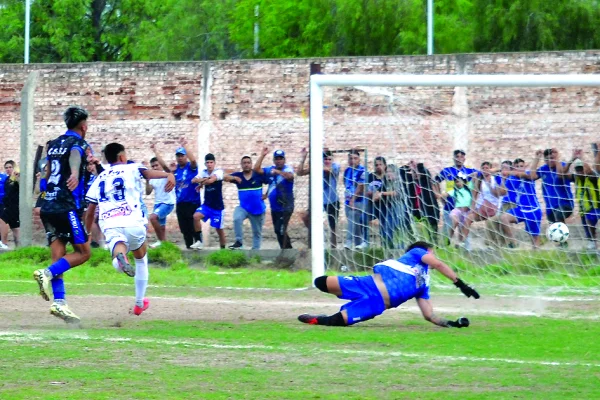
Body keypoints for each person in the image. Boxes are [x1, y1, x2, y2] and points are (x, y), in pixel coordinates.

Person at [297, 241, 479, 327]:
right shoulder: (416, 254)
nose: (433, 255)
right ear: (426, 251)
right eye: (432, 251)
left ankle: (317, 319)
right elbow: (438, 264)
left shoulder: (423, 285)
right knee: (321, 282)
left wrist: (451, 323)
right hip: (367, 284)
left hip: (376, 304)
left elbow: (429, 315)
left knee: (337, 321)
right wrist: (460, 283)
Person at [85, 142, 175, 315]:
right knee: (141, 258)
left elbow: (90, 212)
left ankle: (120, 259)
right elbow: (148, 173)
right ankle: (139, 303)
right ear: (122, 156)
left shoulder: (100, 179)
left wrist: (87, 234)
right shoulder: (132, 168)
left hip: (110, 223)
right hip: (133, 221)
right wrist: (168, 175)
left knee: (118, 246)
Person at [33, 106, 93, 323]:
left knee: (60, 256)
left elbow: (46, 170)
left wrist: (43, 188)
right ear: (83, 126)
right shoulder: (80, 143)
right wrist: (76, 172)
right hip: (67, 206)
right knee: (84, 252)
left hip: (48, 205)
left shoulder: (55, 143)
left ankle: (59, 303)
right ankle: (46, 274)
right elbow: (76, 154)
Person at [297, 148, 341, 248]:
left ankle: (333, 248)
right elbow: (299, 173)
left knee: (333, 226)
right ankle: (317, 237)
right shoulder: (317, 166)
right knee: (306, 217)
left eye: (329, 159)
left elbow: (328, 170)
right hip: (318, 200)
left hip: (332, 200)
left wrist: (315, 163)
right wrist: (303, 158)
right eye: (325, 159)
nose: (328, 161)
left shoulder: (335, 166)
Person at [459, 162, 507, 250]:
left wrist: (490, 182)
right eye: (483, 168)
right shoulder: (480, 180)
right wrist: (472, 208)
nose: (485, 170)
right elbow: (474, 195)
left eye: (487, 168)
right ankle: (462, 242)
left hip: (495, 208)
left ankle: (495, 244)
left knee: (491, 223)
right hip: (482, 209)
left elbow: (498, 194)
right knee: (468, 218)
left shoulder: (495, 179)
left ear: (491, 169)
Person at [434, 149, 478, 246]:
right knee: (447, 231)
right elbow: (435, 181)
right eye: (457, 156)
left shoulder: (469, 171)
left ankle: (465, 251)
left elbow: (482, 174)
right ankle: (445, 248)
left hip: (464, 207)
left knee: (465, 232)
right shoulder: (447, 171)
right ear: (453, 158)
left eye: (461, 157)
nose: (459, 159)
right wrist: (439, 195)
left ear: (464, 158)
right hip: (449, 206)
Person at [254, 147, 295, 249]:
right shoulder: (270, 170)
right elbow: (256, 169)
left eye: (281, 158)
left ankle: (288, 251)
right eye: (277, 159)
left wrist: (277, 172)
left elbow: (290, 177)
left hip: (286, 206)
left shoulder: (287, 169)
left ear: (284, 160)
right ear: (274, 160)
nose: (279, 161)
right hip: (275, 207)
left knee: (281, 229)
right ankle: (286, 250)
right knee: (278, 230)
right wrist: (262, 155)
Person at [227, 156, 268, 250]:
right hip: (243, 208)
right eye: (244, 163)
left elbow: (271, 182)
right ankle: (239, 242)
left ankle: (255, 253)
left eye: (248, 162)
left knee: (257, 233)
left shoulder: (258, 175)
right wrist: (233, 177)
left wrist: (267, 194)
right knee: (236, 218)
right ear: (241, 165)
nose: (246, 165)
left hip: (257, 209)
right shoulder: (238, 176)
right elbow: (225, 177)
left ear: (251, 164)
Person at [500, 158, 543, 249]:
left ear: (524, 167)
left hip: (533, 211)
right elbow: (503, 192)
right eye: (517, 166)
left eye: (521, 166)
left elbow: (531, 174)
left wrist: (536, 157)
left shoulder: (528, 174)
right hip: (520, 210)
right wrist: (503, 179)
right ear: (514, 168)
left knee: (535, 242)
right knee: (504, 218)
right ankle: (513, 242)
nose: (519, 168)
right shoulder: (511, 179)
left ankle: (537, 258)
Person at [191, 153, 227, 249]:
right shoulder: (203, 172)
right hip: (207, 206)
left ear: (214, 163)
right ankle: (199, 241)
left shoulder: (219, 172)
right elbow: (193, 180)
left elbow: (211, 181)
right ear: (205, 164)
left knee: (219, 230)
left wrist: (201, 182)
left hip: (218, 208)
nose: (209, 164)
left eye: (211, 162)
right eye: (208, 162)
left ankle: (223, 250)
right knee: (196, 216)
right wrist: (203, 181)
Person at [171, 142, 201, 249]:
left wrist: (185, 146)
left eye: (182, 156)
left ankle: (198, 244)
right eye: (178, 156)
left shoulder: (190, 167)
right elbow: (165, 168)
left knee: (193, 226)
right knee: (184, 229)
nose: (180, 158)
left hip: (192, 202)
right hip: (180, 203)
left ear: (185, 156)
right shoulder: (176, 169)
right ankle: (188, 248)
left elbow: (193, 160)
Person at [146, 145, 176, 248]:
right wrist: (147, 180)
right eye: (152, 166)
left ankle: (159, 241)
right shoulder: (153, 177)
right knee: (162, 227)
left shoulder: (166, 174)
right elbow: (148, 192)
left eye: (156, 165)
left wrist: (155, 151)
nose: (154, 168)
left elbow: (164, 165)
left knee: (153, 218)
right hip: (157, 203)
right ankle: (164, 246)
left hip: (167, 203)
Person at [343, 150, 367, 250]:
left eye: (355, 158)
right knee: (354, 224)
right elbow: (345, 183)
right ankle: (358, 246)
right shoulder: (347, 170)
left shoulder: (362, 171)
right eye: (350, 158)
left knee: (353, 219)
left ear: (359, 159)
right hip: (348, 201)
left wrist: (353, 199)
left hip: (359, 201)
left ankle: (348, 242)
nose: (353, 160)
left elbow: (361, 187)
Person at [442, 173, 472, 246]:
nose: (457, 183)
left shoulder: (469, 190)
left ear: (463, 181)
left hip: (466, 212)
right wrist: (444, 202)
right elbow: (444, 195)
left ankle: (460, 243)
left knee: (463, 229)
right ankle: (449, 238)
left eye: (459, 181)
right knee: (455, 221)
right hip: (457, 210)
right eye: (456, 182)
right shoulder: (454, 191)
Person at [0, 161, 20, 249]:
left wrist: (18, 177)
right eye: (6, 168)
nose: (8, 169)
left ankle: (4, 243)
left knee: (2, 220)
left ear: (14, 167)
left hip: (14, 206)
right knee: (15, 228)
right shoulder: (8, 179)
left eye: (10, 167)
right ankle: (20, 247)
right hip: (8, 205)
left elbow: (21, 185)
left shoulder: (17, 177)